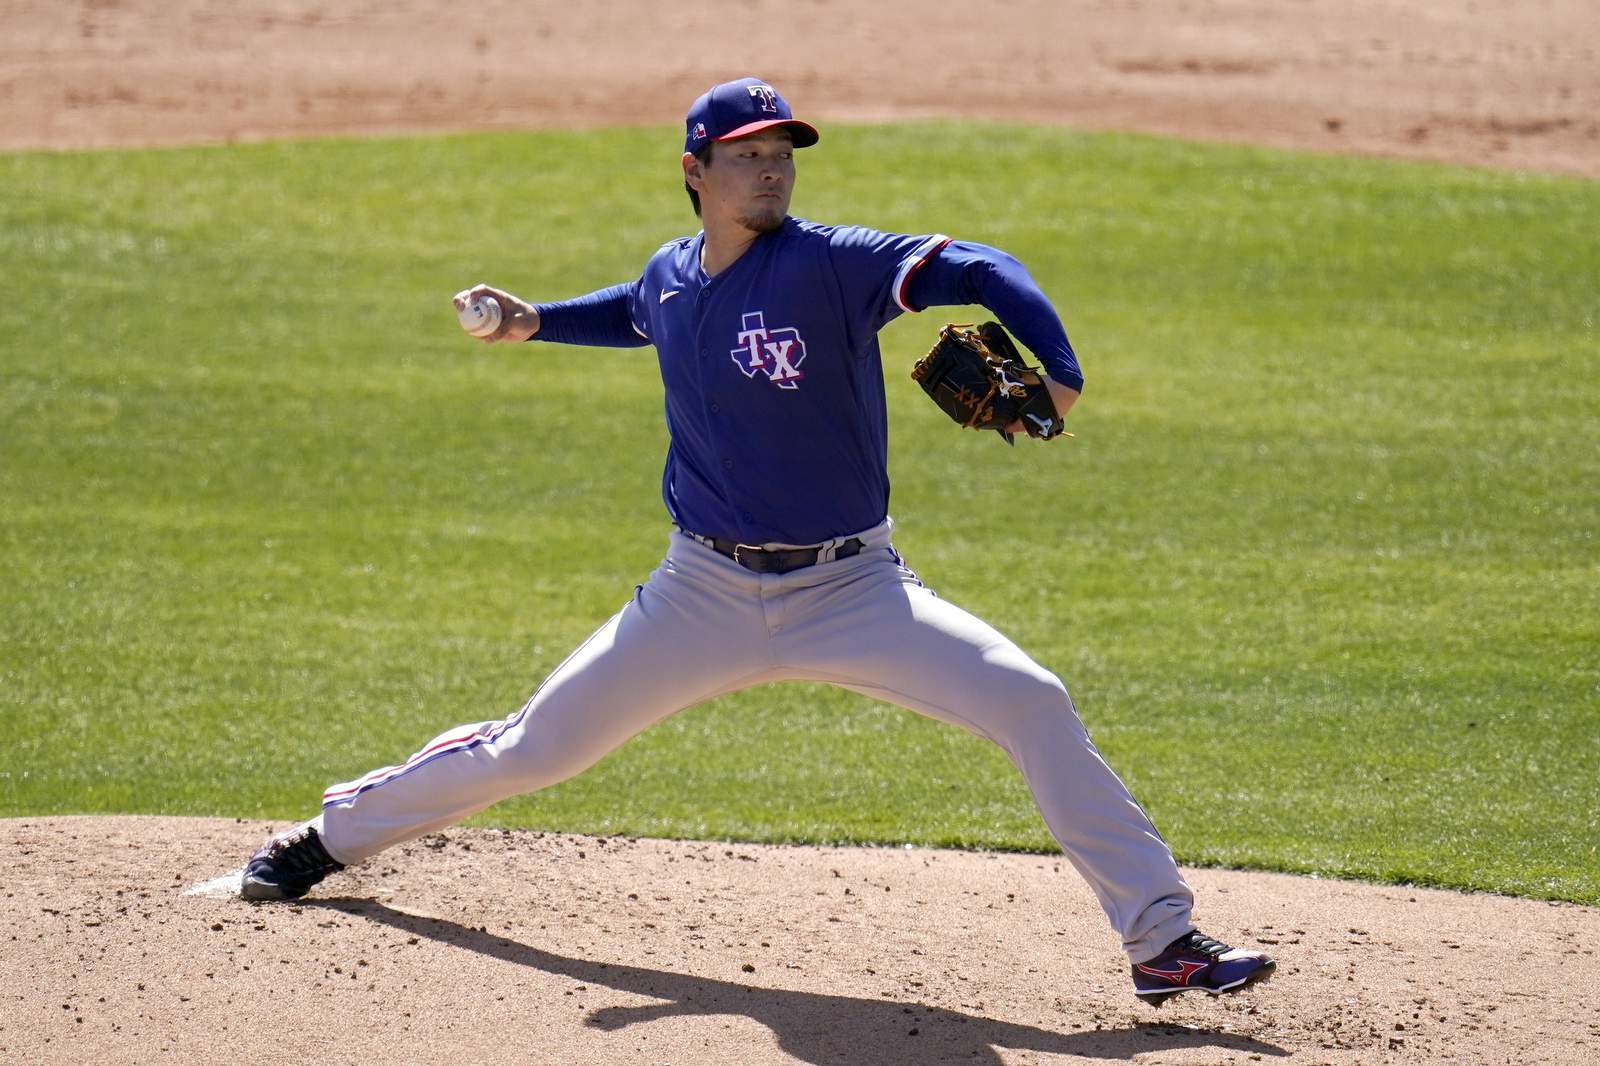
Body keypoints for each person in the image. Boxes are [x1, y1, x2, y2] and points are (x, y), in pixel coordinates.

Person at [240, 76, 1274, 1005]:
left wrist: (1059, 369)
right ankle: (328, 837)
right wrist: (532, 323)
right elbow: (642, 310)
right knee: (535, 747)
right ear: (695, 172)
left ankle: (1162, 940)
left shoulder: (831, 265)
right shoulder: (673, 272)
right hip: (700, 594)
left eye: (782, 154)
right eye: (748, 154)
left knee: (1030, 699)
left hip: (855, 588)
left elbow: (986, 267)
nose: (771, 169)